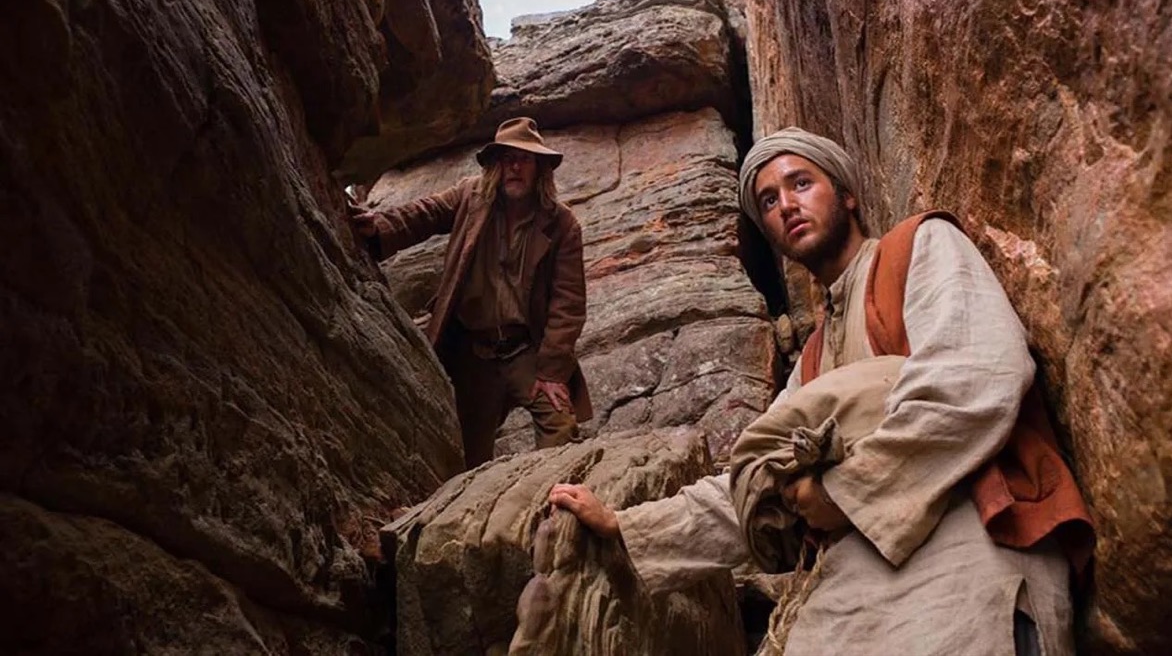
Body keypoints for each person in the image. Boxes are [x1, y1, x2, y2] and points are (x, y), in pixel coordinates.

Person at [548, 128, 1093, 655]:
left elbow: (976, 377)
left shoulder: (918, 246)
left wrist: (836, 492)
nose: (785, 204)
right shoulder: (811, 361)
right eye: (768, 201)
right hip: (853, 592)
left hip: (970, 554)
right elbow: (752, 485)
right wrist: (627, 527)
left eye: (801, 183)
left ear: (848, 194)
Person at [351, 117, 591, 468]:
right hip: (473, 356)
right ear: (495, 165)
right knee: (469, 458)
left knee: (560, 425)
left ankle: (553, 506)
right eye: (506, 158)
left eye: (524, 159)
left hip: (527, 350)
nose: (514, 167)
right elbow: (425, 214)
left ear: (540, 168)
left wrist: (552, 372)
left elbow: (568, 304)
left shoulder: (562, 224)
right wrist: (378, 227)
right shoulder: (470, 196)